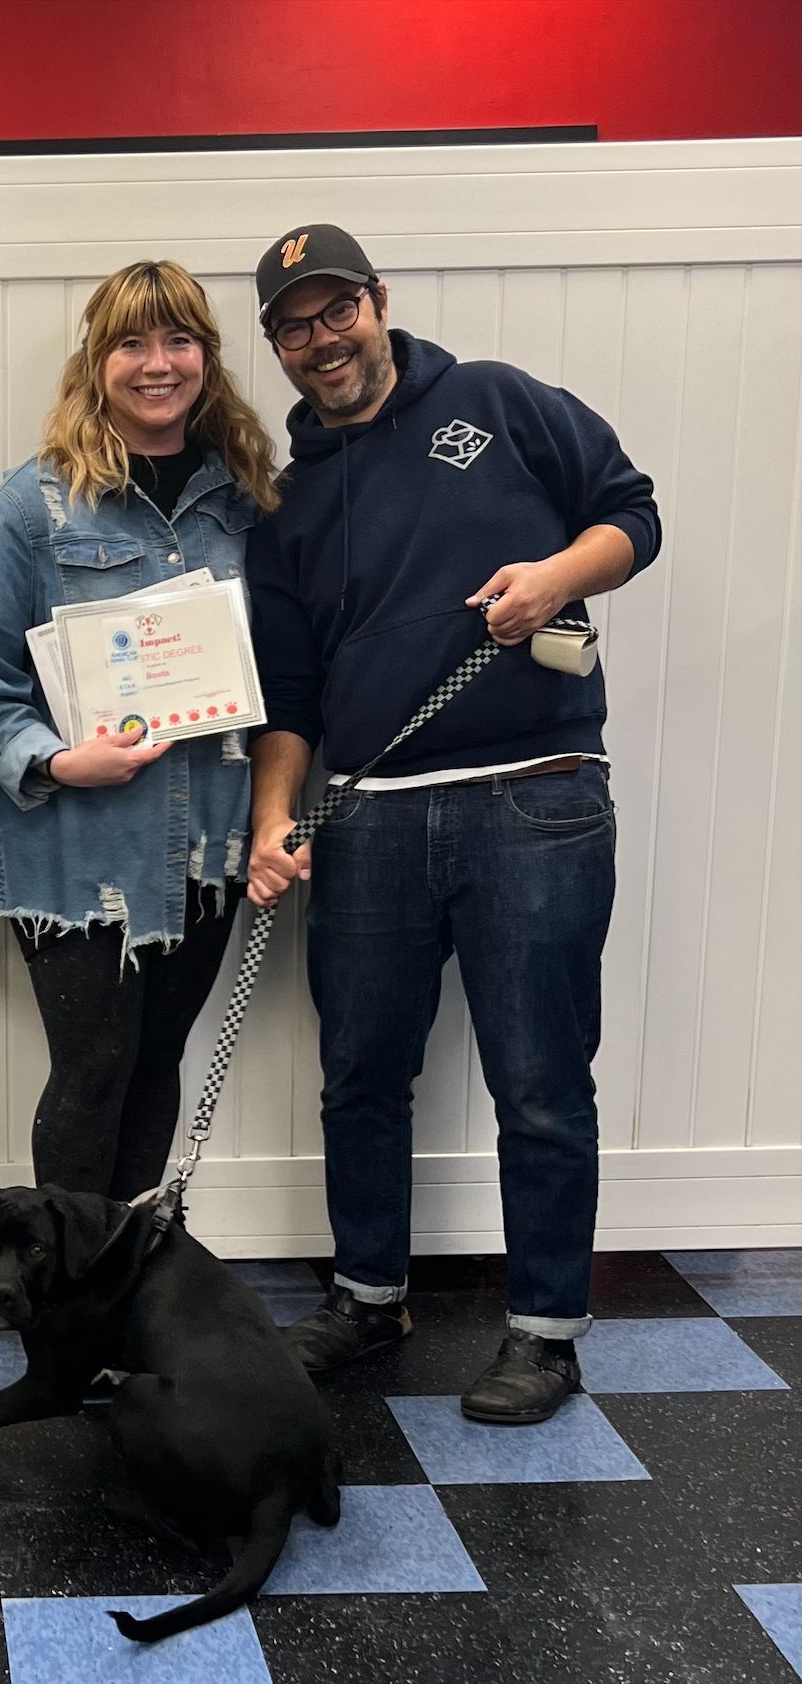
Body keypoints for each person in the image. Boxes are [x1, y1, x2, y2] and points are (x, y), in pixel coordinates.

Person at [243, 224, 661, 1424]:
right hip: (368, 813)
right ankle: (369, 1295)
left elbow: (631, 512)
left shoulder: (492, 400)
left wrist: (557, 576)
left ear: (378, 303)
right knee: (358, 1074)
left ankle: (543, 1333)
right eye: (292, 326)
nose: (320, 340)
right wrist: (273, 818)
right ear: (274, 346)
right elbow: (290, 694)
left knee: (538, 1078)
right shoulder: (289, 497)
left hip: (536, 796)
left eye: (336, 312)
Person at [0, 260, 277, 1202]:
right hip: (77, 849)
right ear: (96, 362)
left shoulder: (244, 500)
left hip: (207, 842)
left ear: (207, 357)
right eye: (131, 342)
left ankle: (128, 1287)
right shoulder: (29, 509)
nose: (156, 363)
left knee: (157, 1061)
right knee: (92, 1070)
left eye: (178, 340)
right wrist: (57, 758)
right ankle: (70, 1317)